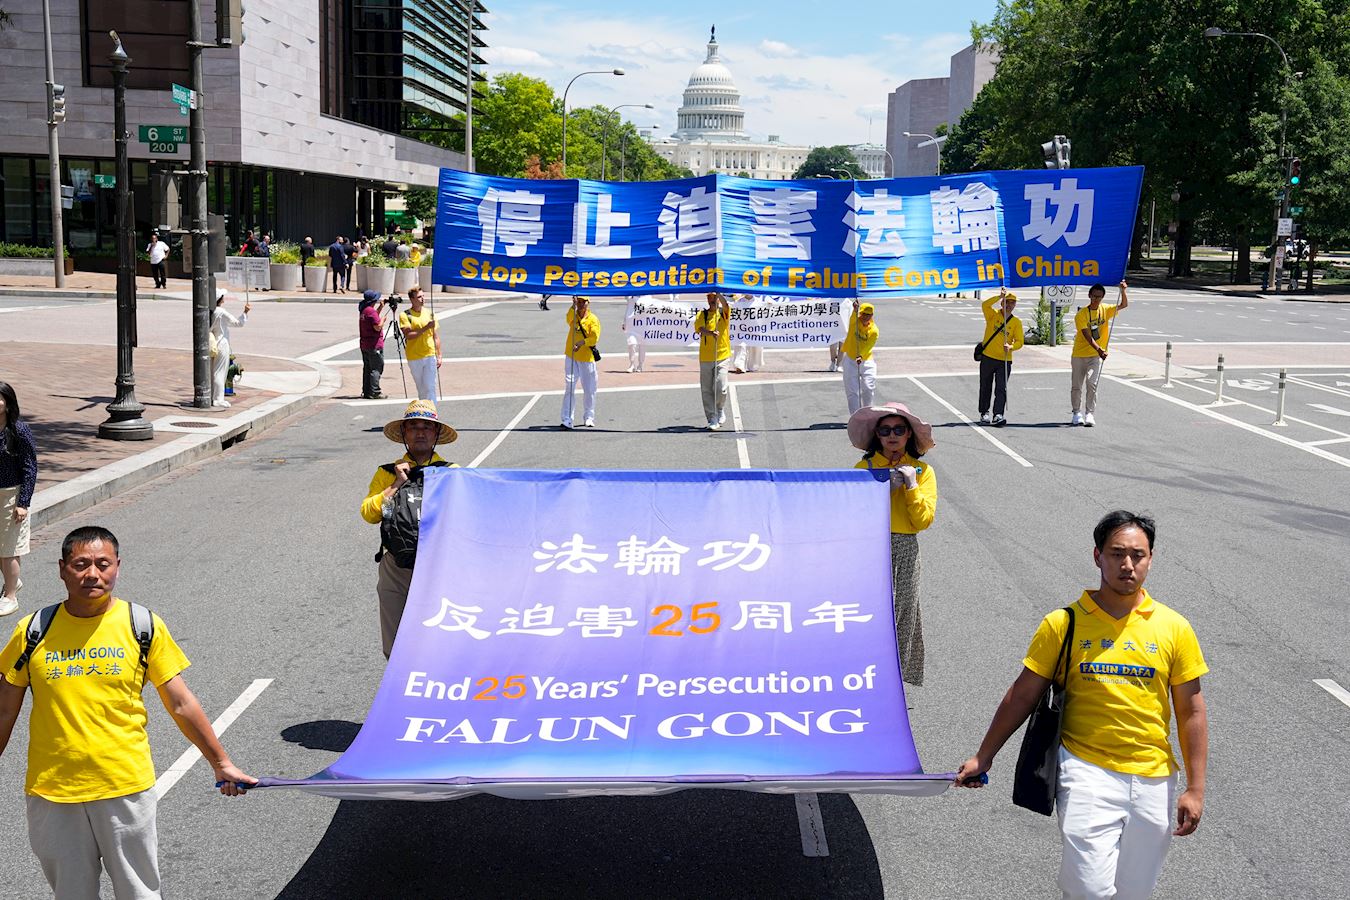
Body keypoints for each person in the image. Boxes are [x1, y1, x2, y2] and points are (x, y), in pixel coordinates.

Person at [956, 511, 1209, 900]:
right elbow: (1023, 694)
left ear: (1150, 559)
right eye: (1117, 553)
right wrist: (984, 755)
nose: (1127, 565)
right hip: (1085, 771)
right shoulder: (1063, 623)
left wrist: (1195, 787)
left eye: (1138, 555)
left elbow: (1191, 710)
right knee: (1088, 888)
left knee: (1134, 892)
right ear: (1097, 557)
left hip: (1154, 780)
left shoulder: (1174, 628)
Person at [0, 526, 255, 899]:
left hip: (124, 787)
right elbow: (5, 708)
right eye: (81, 564)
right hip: (53, 792)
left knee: (139, 893)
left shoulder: (142, 626)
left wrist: (221, 762)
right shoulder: (34, 630)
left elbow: (181, 703)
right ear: (61, 569)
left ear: (117, 567)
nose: (92, 574)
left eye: (103, 564)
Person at [848, 402, 936, 686]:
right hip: (871, 547)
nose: (892, 435)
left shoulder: (924, 471)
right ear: (877, 435)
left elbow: (923, 521)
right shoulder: (864, 468)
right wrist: (883, 489)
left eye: (899, 429)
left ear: (909, 434)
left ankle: (893, 679)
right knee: (871, 611)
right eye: (885, 430)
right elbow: (854, 513)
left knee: (904, 611)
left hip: (906, 547)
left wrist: (911, 487)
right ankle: (866, 670)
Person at [361, 402, 458, 657]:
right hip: (396, 566)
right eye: (413, 427)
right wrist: (396, 484)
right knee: (394, 647)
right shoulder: (386, 473)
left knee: (437, 641)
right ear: (404, 434)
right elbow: (369, 513)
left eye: (427, 427)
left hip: (438, 565)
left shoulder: (452, 473)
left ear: (436, 434)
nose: (420, 432)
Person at [0, 382, 37, 617]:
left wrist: (23, 502)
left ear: (7, 403)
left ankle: (10, 596)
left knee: (9, 548)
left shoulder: (19, 431)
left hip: (11, 495)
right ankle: (13, 582)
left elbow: (29, 467)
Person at [1070, 280, 1128, 427]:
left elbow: (1123, 305)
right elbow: (1086, 335)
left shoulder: (1105, 309)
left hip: (1095, 356)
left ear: (1102, 297)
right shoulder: (1082, 314)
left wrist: (1123, 291)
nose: (1096, 299)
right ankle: (1076, 412)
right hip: (1080, 354)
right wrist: (1099, 349)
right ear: (1089, 296)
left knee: (1092, 383)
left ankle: (1089, 413)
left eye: (1099, 297)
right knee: (1077, 385)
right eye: (1094, 296)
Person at [977, 289, 1025, 427]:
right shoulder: (993, 315)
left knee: (1001, 388)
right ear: (1002, 303)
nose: (1009, 305)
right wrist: (998, 296)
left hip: (1004, 360)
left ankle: (998, 414)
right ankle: (984, 412)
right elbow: (985, 305)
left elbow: (1020, 341)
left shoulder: (1016, 322)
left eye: (1012, 303)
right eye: (1007, 302)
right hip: (988, 357)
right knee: (985, 386)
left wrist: (1011, 347)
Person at [561, 295, 601, 429]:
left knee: (590, 389)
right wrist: (573, 306)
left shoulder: (593, 319)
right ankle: (567, 419)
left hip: (586, 358)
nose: (581, 304)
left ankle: (589, 417)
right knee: (570, 386)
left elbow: (594, 338)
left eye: (583, 302)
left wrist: (582, 342)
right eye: (579, 302)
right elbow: (568, 319)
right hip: (571, 355)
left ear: (588, 303)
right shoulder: (573, 315)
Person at [398, 287, 441, 402]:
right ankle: (424, 411)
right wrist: (425, 327)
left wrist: (439, 355)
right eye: (419, 297)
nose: (422, 299)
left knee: (430, 386)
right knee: (421, 388)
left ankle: (432, 413)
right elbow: (408, 335)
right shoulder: (405, 315)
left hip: (429, 354)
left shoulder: (429, 313)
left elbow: (435, 335)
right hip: (414, 356)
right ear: (412, 299)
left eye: (423, 296)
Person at [696, 292, 731, 429]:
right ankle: (712, 417)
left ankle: (720, 408)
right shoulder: (702, 315)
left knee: (721, 387)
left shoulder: (723, 313)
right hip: (706, 357)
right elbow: (699, 329)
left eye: (714, 298)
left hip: (722, 355)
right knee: (706, 389)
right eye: (710, 298)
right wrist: (710, 333)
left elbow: (726, 305)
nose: (712, 300)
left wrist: (718, 293)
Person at [210, 292, 250, 409]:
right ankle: (218, 399)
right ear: (220, 299)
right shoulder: (221, 312)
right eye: (223, 297)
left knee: (214, 371)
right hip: (222, 344)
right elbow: (238, 323)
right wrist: (245, 312)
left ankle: (213, 396)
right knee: (220, 372)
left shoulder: (211, 311)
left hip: (213, 343)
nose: (224, 299)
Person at [841, 300, 879, 414]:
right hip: (850, 360)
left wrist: (861, 356)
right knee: (852, 391)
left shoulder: (874, 331)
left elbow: (868, 346)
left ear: (872, 315)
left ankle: (868, 413)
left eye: (868, 314)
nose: (865, 317)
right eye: (863, 314)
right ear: (860, 314)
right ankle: (855, 415)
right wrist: (855, 309)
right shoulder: (854, 323)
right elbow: (853, 316)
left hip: (866, 361)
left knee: (868, 388)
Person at [359, 289, 390, 400]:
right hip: (374, 344)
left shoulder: (365, 310)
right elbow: (377, 326)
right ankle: (375, 391)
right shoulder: (370, 312)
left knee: (367, 368)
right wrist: (383, 320)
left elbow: (373, 318)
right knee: (376, 368)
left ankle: (367, 390)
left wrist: (381, 307)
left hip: (365, 344)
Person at [622, 303, 646, 373]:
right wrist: (624, 322)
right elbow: (629, 309)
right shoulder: (631, 296)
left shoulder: (647, 295)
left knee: (642, 345)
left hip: (643, 324)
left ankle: (640, 365)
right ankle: (632, 364)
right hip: (632, 324)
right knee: (631, 344)